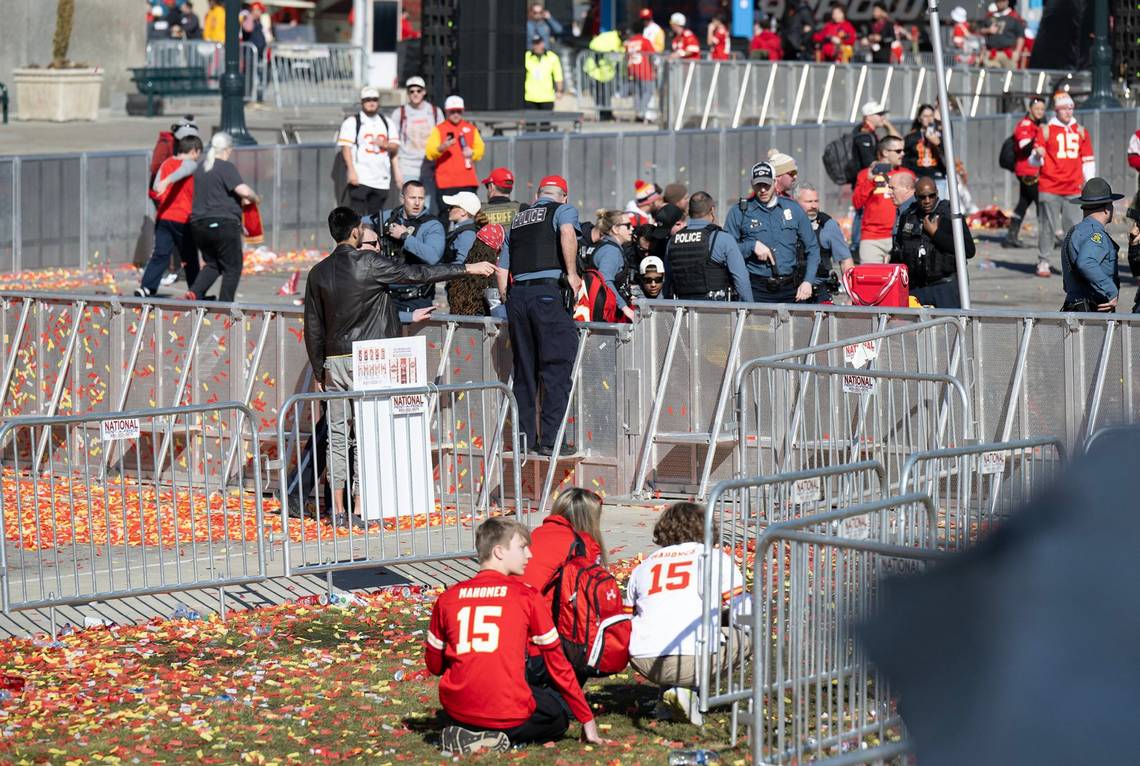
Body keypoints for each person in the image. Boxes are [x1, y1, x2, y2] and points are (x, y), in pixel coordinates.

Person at [303, 207, 495, 528]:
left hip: (334, 360)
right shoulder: (370, 263)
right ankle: (361, 508)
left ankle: (337, 509)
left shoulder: (317, 272)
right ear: (354, 233)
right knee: (367, 435)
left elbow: (313, 325)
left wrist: (318, 367)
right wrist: (468, 268)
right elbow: (419, 275)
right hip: (369, 358)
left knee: (336, 437)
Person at [426, 517, 602, 754]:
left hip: (458, 708)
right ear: (499, 552)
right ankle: (494, 735)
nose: (529, 554)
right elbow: (558, 664)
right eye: (522, 547)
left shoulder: (448, 597)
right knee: (558, 714)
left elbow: (435, 665)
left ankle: (467, 730)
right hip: (507, 710)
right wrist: (586, 718)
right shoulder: (526, 596)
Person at [625, 502, 749, 726]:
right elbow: (742, 608)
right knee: (746, 636)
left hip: (645, 659)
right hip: (691, 659)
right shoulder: (714, 557)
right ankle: (688, 691)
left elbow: (628, 616)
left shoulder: (643, 566)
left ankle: (669, 696)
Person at [497, 175, 581, 457]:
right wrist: (571, 274)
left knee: (524, 373)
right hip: (547, 295)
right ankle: (552, 441)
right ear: (564, 196)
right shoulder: (562, 210)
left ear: (537, 194)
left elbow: (502, 266)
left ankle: (524, 440)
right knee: (556, 369)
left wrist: (507, 297)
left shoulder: (518, 219)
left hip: (518, 296)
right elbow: (567, 233)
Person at [725, 162, 819, 303]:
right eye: (758, 185)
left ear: (775, 182)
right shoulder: (739, 212)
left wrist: (808, 282)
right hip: (756, 289)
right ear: (752, 184)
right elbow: (726, 250)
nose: (762, 190)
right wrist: (751, 246)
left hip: (791, 289)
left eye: (767, 185)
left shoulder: (793, 208)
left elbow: (813, 248)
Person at [186, 132, 258, 302]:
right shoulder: (225, 167)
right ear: (227, 149)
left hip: (199, 225)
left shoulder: (200, 168)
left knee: (213, 263)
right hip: (223, 223)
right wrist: (255, 198)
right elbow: (244, 191)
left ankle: (195, 292)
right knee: (232, 266)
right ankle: (225, 304)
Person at [1033, 92, 1094, 278]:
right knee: (1047, 226)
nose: (1068, 112)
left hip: (1074, 187)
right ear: (1056, 110)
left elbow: (1088, 160)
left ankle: (1073, 263)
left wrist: (1089, 184)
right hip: (1049, 186)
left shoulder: (1081, 131)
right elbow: (1033, 161)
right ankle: (1043, 261)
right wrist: (1037, 155)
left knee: (1074, 229)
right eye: (1064, 109)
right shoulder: (1045, 129)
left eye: (1071, 108)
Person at [891, 176, 975, 308]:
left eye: (931, 196)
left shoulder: (949, 214)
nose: (927, 201)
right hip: (916, 288)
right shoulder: (908, 216)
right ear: (915, 196)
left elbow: (969, 250)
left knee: (951, 326)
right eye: (922, 197)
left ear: (937, 193)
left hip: (945, 286)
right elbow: (898, 253)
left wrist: (935, 234)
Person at [137, 134, 203, 298]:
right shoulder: (190, 164)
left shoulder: (166, 163)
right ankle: (196, 291)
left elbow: (155, 187)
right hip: (183, 218)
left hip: (164, 217)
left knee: (160, 254)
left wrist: (163, 184)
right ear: (194, 151)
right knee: (190, 257)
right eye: (198, 154)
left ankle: (146, 288)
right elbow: (186, 169)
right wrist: (168, 181)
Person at [373, 180, 447, 313]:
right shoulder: (389, 216)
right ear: (402, 198)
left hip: (416, 299)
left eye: (421, 198)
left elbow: (433, 257)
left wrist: (404, 237)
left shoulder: (432, 225)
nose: (417, 203)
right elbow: (361, 224)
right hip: (387, 296)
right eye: (413, 198)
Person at [665, 191, 753, 302]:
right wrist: (750, 311)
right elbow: (741, 280)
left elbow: (667, 282)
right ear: (712, 210)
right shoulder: (722, 239)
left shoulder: (673, 241)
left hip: (682, 312)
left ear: (689, 212)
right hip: (715, 311)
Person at [1060, 178, 1123, 313]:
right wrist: (1111, 291)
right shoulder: (1096, 235)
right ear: (1107, 208)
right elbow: (1086, 263)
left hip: (1074, 307)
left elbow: (1067, 283)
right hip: (1092, 314)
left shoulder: (1075, 232)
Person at [338, 86, 396, 220]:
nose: (371, 103)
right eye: (367, 99)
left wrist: (384, 144)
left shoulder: (387, 122)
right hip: (361, 177)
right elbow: (346, 147)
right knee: (357, 217)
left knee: (376, 219)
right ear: (362, 102)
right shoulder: (353, 122)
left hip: (381, 178)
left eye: (374, 99)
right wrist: (351, 171)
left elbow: (395, 147)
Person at [853, 135, 909, 264]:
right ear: (885, 152)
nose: (903, 154)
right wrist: (870, 181)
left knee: (900, 282)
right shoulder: (866, 174)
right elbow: (857, 203)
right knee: (870, 280)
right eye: (898, 151)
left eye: (903, 150)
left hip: (899, 236)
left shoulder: (907, 174)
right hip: (871, 238)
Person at [425, 96, 485, 218]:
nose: (456, 114)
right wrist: (443, 147)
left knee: (470, 216)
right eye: (452, 111)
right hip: (445, 182)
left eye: (458, 111)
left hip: (467, 181)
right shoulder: (439, 129)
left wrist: (472, 152)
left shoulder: (471, 128)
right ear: (446, 112)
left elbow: (480, 149)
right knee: (446, 217)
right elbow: (430, 152)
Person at [389, 76, 444, 208]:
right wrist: (397, 172)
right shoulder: (399, 113)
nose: (415, 94)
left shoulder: (435, 112)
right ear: (407, 93)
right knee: (406, 207)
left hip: (430, 168)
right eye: (411, 91)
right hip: (407, 167)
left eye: (418, 90)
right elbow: (394, 145)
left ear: (424, 92)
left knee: (428, 207)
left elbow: (442, 142)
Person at [794, 182, 854, 302]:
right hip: (791, 289)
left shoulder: (828, 225)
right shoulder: (787, 223)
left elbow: (845, 260)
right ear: (796, 202)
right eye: (808, 202)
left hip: (819, 291)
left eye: (816, 201)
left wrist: (850, 296)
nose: (814, 206)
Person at [1005, 96, 1047, 248]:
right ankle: (1046, 237)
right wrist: (1038, 137)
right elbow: (1024, 147)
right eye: (1037, 109)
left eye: (1042, 109)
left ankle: (1011, 236)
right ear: (1030, 109)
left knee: (1023, 202)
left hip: (1033, 170)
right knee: (1041, 202)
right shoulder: (1025, 125)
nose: (1040, 112)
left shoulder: (1038, 124)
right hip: (1028, 171)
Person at [586, 210, 638, 321]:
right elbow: (605, 280)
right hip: (606, 314)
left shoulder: (599, 245)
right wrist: (624, 308)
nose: (632, 228)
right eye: (628, 225)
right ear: (615, 229)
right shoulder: (611, 251)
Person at [447, 224, 506, 317]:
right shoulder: (493, 276)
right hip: (484, 328)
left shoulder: (463, 271)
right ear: (499, 247)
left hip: (461, 328)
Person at [903, 104, 948, 197]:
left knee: (939, 203)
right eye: (925, 116)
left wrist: (938, 143)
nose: (929, 119)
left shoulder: (942, 135)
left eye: (931, 115)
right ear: (919, 119)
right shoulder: (912, 137)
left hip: (937, 176)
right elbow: (904, 157)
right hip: (918, 176)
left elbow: (948, 155)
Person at [583, 28, 622, 121]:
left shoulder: (608, 37)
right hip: (598, 71)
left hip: (602, 72)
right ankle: (603, 114)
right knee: (601, 94)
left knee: (604, 94)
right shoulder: (613, 39)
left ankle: (606, 113)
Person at [443, 191, 486, 266]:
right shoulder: (463, 230)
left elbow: (462, 265)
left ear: (463, 212)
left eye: (452, 207)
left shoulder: (467, 234)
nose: (448, 210)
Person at [624, 26, 658, 123]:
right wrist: (654, 69)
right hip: (644, 70)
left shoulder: (629, 42)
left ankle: (638, 112)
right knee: (648, 91)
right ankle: (641, 112)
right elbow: (652, 55)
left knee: (637, 93)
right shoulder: (645, 41)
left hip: (632, 69)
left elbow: (626, 57)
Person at [980, 0, 1025, 68]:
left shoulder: (1014, 17)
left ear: (1007, 2)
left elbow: (1020, 36)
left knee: (1009, 76)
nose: (1000, 3)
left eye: (1002, 1)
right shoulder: (989, 16)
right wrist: (988, 30)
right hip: (992, 53)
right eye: (998, 1)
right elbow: (981, 30)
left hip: (1008, 54)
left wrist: (1017, 52)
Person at [525, 34, 564, 111]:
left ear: (543, 43)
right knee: (530, 122)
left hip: (547, 97)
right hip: (530, 96)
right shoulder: (526, 56)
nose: (536, 46)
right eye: (534, 44)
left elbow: (558, 75)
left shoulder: (552, 57)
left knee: (545, 122)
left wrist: (559, 90)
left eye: (538, 43)